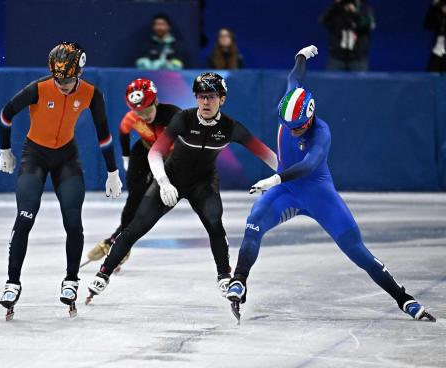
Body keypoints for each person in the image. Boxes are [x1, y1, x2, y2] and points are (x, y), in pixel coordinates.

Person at [224, 45, 436, 323]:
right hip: (287, 192)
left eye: (298, 126)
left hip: (317, 194)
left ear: (310, 117)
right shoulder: (292, 101)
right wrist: (300, 56)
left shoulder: (321, 132)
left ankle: (403, 297)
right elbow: (295, 76)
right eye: (287, 125)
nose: (292, 130)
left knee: (357, 251)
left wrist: (275, 178)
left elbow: (309, 166)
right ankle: (240, 280)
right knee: (253, 224)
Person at [86, 72, 278, 304]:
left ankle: (224, 275)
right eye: (201, 97)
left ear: (222, 99)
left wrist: (282, 176)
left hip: (203, 183)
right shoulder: (184, 119)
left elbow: (267, 155)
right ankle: (104, 272)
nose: (206, 102)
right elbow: (155, 152)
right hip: (173, 178)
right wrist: (164, 182)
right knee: (137, 225)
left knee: (215, 223)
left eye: (211, 96)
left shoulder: (231, 128)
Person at [0, 41, 122, 319]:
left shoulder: (92, 94)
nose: (62, 84)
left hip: (67, 158)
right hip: (35, 156)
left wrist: (113, 171)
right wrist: (5, 149)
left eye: (67, 79)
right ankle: (12, 282)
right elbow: (6, 114)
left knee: (73, 222)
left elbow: (104, 134)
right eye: (58, 78)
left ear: (80, 71)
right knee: (25, 218)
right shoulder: (39, 88)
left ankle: (71, 279)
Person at [86, 78, 181, 271]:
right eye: (138, 112)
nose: (143, 116)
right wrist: (126, 157)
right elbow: (123, 134)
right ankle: (121, 242)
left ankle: (115, 240)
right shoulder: (131, 118)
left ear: (155, 102)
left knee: (149, 203)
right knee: (134, 198)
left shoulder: (174, 116)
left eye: (146, 110)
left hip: (171, 157)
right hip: (144, 151)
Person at [320, 0, 375, 71]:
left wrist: (355, 13)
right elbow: (323, 20)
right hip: (336, 57)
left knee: (359, 81)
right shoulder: (336, 10)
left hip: (358, 58)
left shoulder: (364, 9)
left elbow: (369, 24)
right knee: (333, 81)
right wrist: (335, 5)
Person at [424, 0, 446, 73]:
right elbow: (428, 25)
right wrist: (433, 7)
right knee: (432, 73)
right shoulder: (438, 13)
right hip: (438, 49)